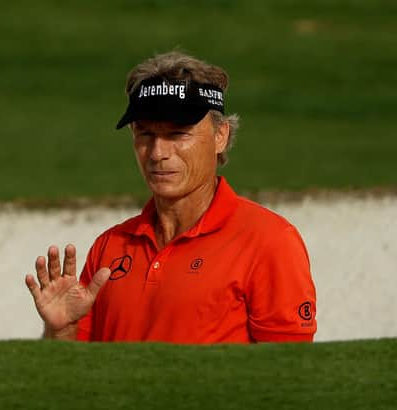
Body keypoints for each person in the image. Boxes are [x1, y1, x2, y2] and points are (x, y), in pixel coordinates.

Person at [24, 51, 317, 344]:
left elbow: (288, 377)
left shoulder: (270, 241)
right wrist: (61, 331)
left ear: (220, 136)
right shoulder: (109, 247)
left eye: (178, 134)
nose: (158, 153)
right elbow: (76, 378)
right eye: (145, 134)